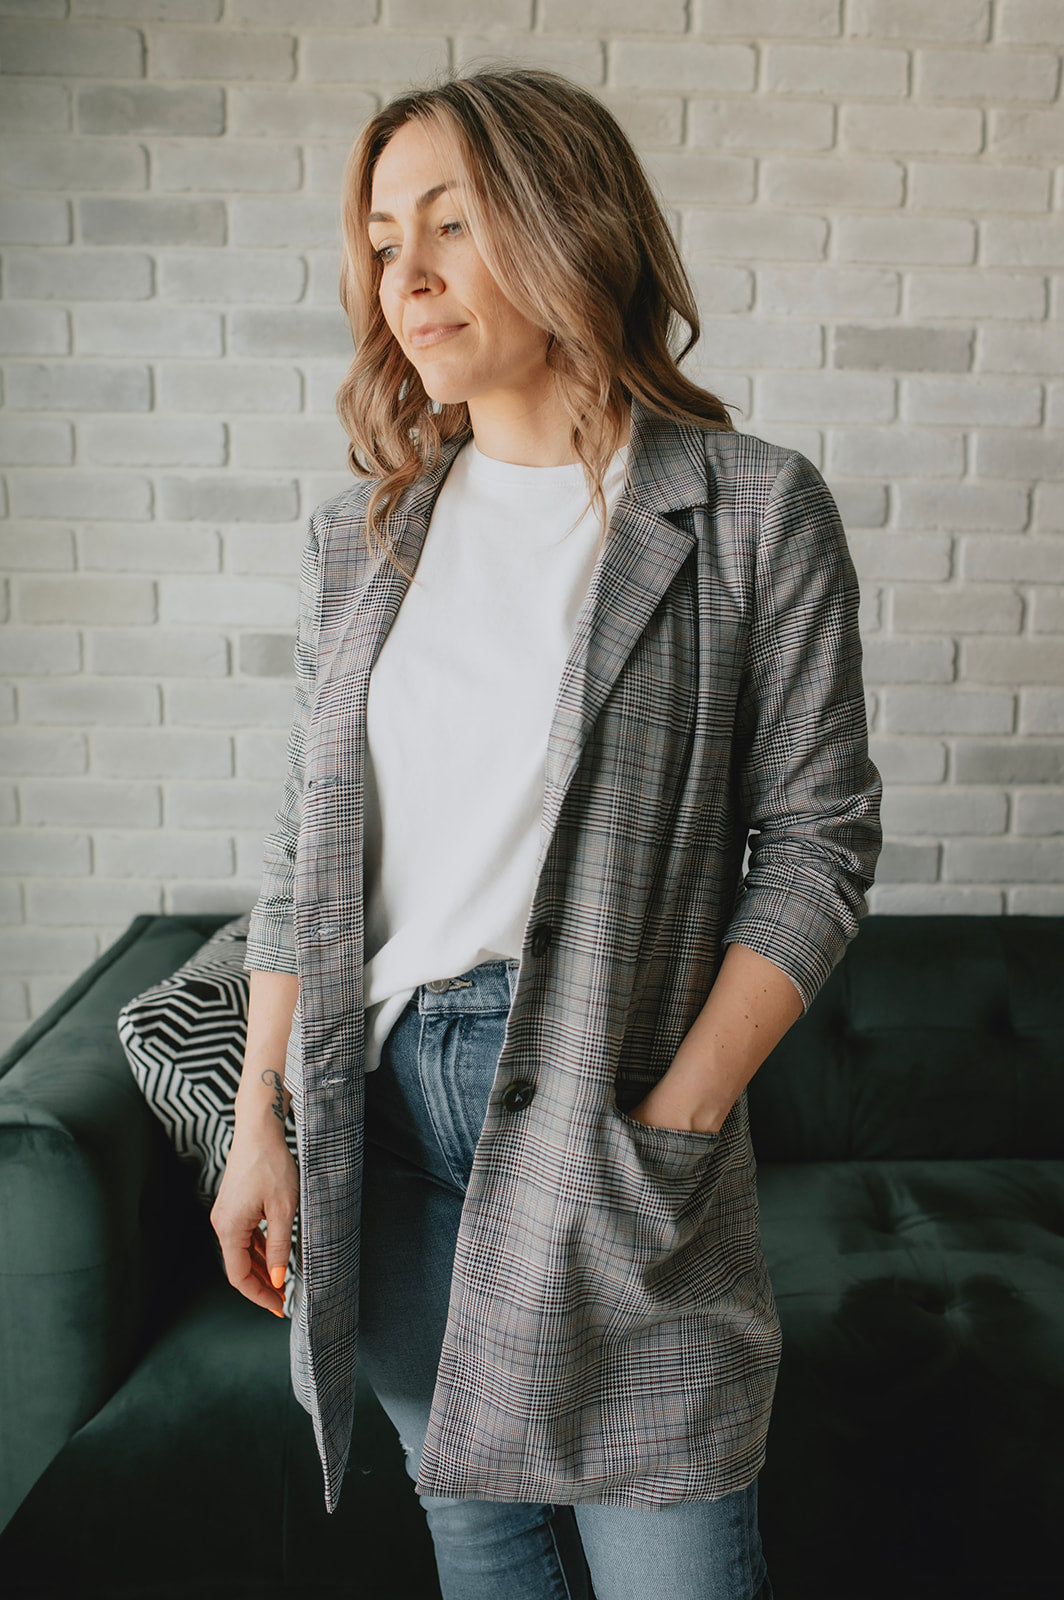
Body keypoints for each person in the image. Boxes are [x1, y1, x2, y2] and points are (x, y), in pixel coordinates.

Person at [211, 64, 883, 1600]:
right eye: (385, 239)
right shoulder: (361, 540)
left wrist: (683, 1114)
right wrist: (258, 1121)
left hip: (610, 1105)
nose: (409, 277)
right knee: (488, 1555)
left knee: (675, 1563)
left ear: (570, 223)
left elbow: (819, 845)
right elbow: (305, 857)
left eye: (453, 224)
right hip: (376, 1122)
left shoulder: (751, 512)